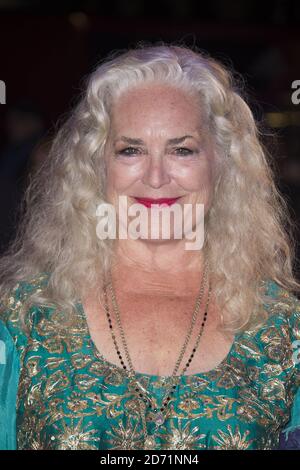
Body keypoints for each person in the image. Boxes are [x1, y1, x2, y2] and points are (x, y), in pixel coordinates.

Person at [0, 42, 300, 451]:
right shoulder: (25, 313)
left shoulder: (284, 326)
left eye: (182, 149)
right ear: (96, 164)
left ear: (221, 162)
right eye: (131, 150)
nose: (156, 177)